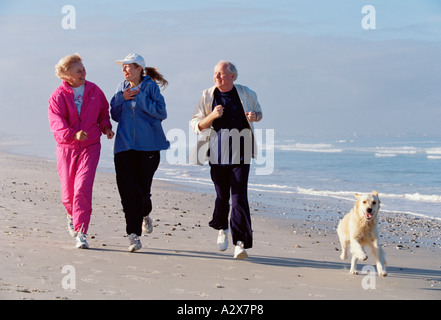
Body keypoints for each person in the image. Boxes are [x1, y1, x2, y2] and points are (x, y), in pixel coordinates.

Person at [190, 60, 263, 259]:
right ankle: (222, 227)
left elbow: (259, 112)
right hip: (216, 152)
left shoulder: (247, 93)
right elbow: (196, 124)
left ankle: (240, 243)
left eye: (221, 74)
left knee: (239, 197)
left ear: (232, 76)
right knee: (222, 196)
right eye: (215, 73)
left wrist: (255, 116)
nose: (217, 77)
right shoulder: (207, 95)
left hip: (242, 151)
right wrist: (212, 116)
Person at [48, 53, 114, 249]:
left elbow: (103, 112)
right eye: (79, 70)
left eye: (83, 69)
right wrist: (72, 135)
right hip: (67, 148)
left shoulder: (94, 90)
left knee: (82, 188)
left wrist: (106, 127)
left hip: (90, 146)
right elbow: (56, 122)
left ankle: (81, 231)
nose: (83, 72)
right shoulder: (58, 96)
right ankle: (70, 215)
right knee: (68, 195)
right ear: (66, 74)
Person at [110, 53, 169, 252]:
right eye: (123, 67)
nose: (124, 70)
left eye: (128, 67)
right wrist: (121, 98)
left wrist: (140, 96)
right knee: (128, 192)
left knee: (143, 193)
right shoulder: (121, 87)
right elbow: (115, 115)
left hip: (149, 148)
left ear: (139, 69)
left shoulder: (150, 87)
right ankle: (133, 235)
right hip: (124, 147)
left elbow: (161, 112)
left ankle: (145, 213)